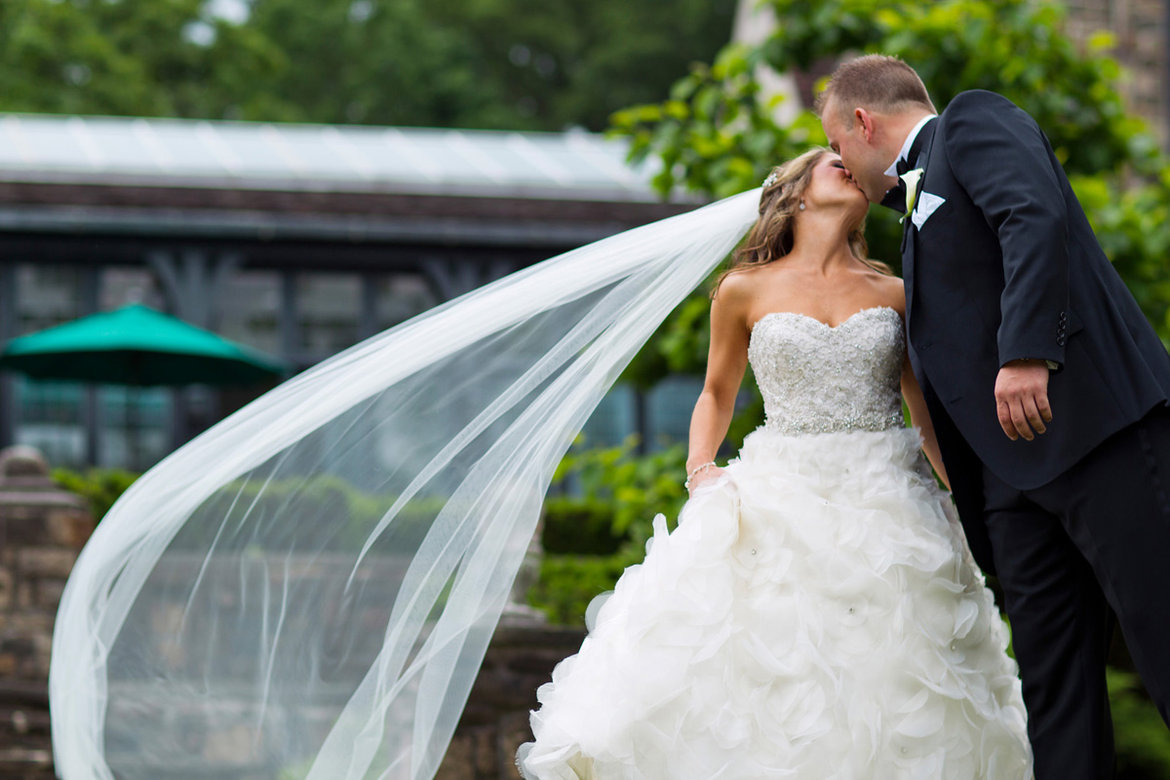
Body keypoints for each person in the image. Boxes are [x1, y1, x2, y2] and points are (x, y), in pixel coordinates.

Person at [516, 149, 1032, 779]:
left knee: (894, 668)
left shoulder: (896, 292)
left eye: (851, 162)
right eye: (830, 162)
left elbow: (924, 415)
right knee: (774, 664)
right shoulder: (742, 290)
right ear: (795, 193)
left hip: (890, 502)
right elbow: (714, 393)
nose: (848, 164)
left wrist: (972, 504)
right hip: (781, 492)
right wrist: (701, 469)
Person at [818, 54, 1170, 780]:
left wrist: (1027, 351)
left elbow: (1032, 214)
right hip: (1010, 485)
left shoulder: (971, 122)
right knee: (1054, 691)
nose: (838, 162)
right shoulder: (911, 214)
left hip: (1094, 433)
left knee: (1163, 634)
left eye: (836, 144)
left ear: (863, 120)